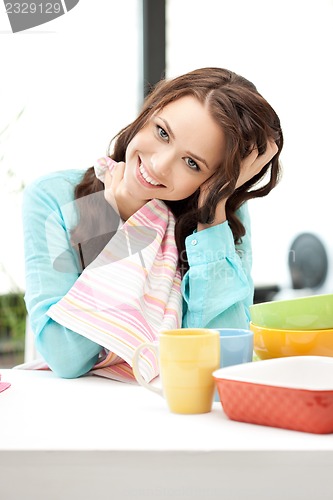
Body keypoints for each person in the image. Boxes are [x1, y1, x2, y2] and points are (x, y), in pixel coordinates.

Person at [22, 67, 283, 379]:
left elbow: (222, 360)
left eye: (192, 163)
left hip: (177, 411)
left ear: (213, 179)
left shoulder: (221, 222)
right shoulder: (55, 198)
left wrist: (212, 216)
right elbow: (66, 355)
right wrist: (124, 227)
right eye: (162, 132)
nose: (158, 166)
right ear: (150, 110)